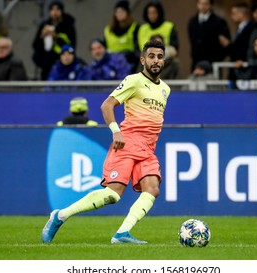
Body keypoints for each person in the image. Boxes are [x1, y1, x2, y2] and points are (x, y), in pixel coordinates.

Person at [42, 39, 170, 244]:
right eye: (152, 56)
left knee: (152, 189)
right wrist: (115, 131)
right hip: (127, 143)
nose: (156, 60)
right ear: (143, 60)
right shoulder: (134, 81)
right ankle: (60, 215)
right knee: (113, 195)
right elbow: (106, 105)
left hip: (147, 149)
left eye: (160, 57)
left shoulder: (165, 89)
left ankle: (122, 234)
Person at [32, 0, 76, 80]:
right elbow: (35, 46)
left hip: (62, 62)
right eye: (52, 10)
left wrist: (55, 36)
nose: (54, 12)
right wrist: (42, 36)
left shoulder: (68, 25)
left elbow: (71, 45)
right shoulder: (45, 25)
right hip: (46, 63)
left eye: (57, 10)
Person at [187, 0, 231, 72]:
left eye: (206, 4)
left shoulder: (219, 22)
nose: (203, 6)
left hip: (214, 63)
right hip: (196, 62)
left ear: (211, 5)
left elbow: (226, 44)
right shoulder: (192, 22)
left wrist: (218, 58)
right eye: (200, 3)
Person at [103, 0, 140, 73]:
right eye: (117, 11)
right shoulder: (108, 30)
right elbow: (105, 47)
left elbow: (137, 48)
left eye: (122, 11)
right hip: (112, 63)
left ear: (127, 13)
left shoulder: (135, 28)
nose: (120, 14)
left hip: (130, 62)